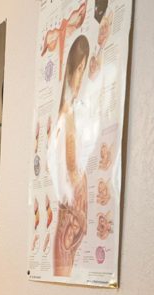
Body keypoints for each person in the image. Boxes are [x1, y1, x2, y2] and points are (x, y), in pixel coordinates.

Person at [47, 34, 91, 277]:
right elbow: (71, 166)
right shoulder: (66, 116)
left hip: (75, 223)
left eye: (85, 71)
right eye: (79, 70)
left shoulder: (75, 113)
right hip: (70, 224)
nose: (80, 78)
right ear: (71, 70)